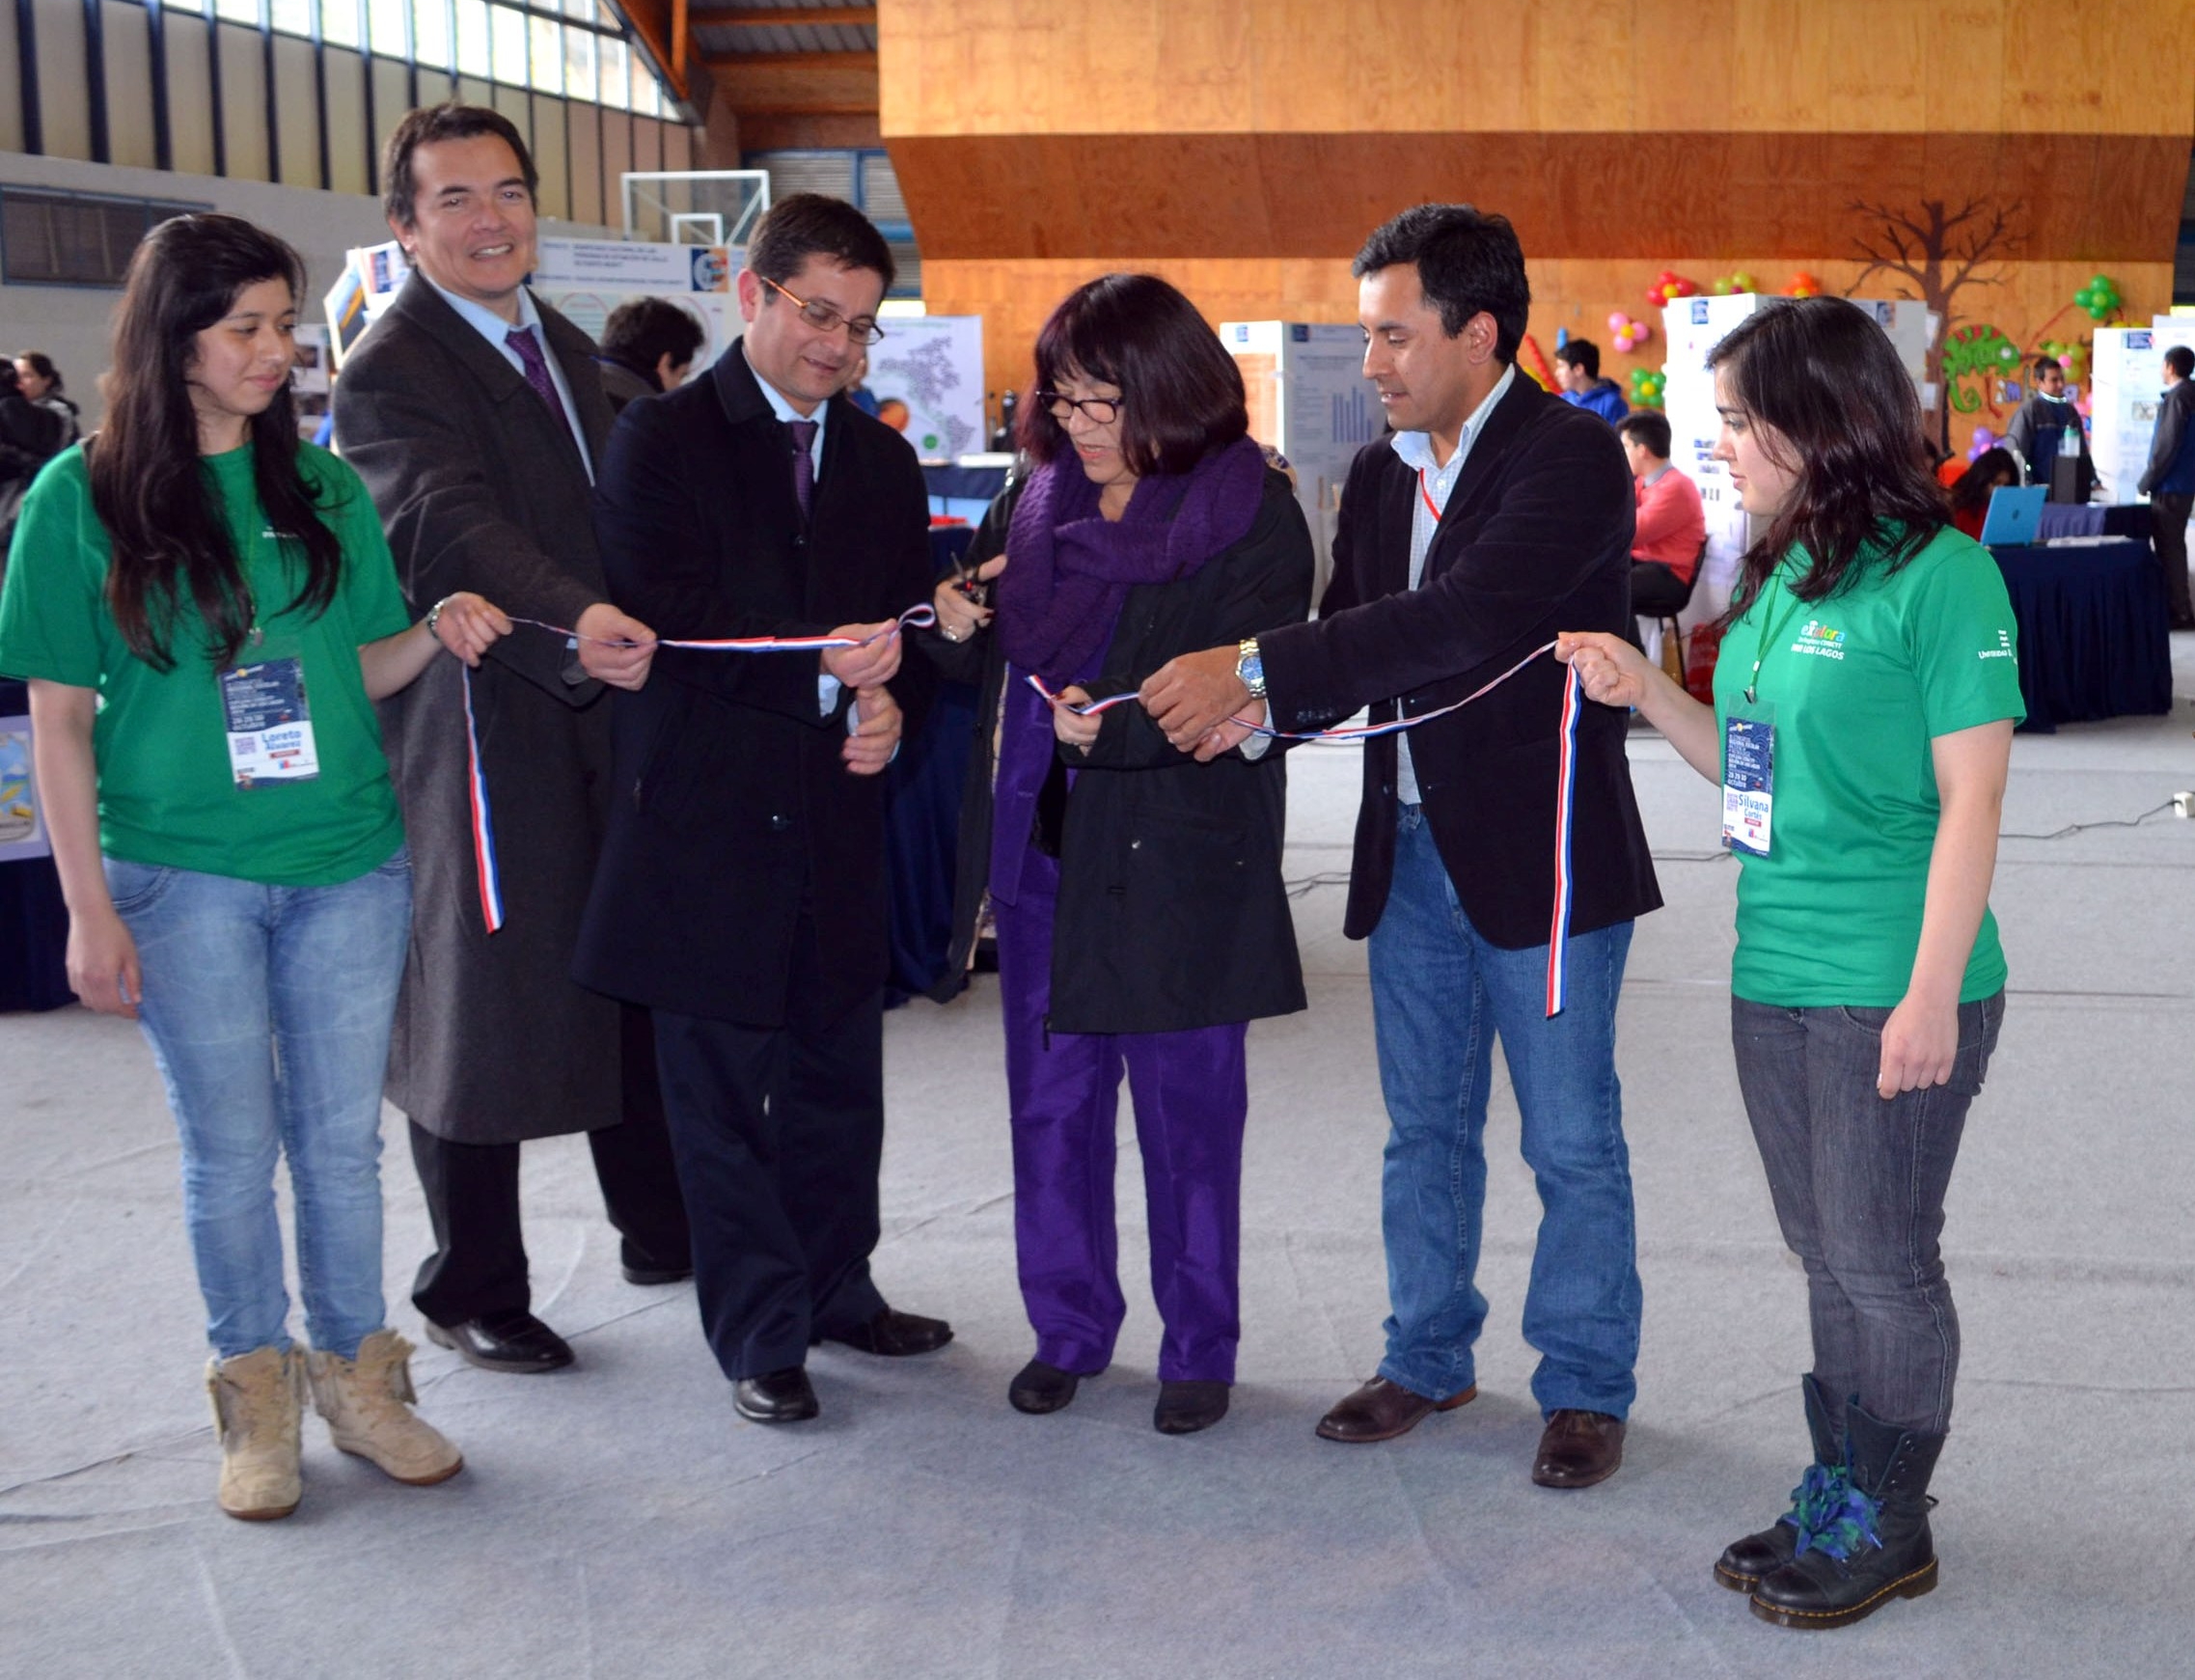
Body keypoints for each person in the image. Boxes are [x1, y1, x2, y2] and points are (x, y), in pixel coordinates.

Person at [1141, 205, 1661, 1487]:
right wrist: (1254, 715)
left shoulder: (1566, 459)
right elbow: (1352, 635)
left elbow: (1456, 622)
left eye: (1389, 335)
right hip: (1407, 852)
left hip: (1542, 858)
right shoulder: (1378, 474)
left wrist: (1249, 662)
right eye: (1363, 335)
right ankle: (1424, 1355)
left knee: (1567, 1137)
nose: (1365, 364)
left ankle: (1585, 1382)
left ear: (1476, 334)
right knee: (1420, 1129)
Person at [0, 214, 498, 1519]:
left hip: (348, 864)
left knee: (339, 1150)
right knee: (229, 1155)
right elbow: (57, 715)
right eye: (249, 329)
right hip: (179, 875)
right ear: (174, 340)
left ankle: (359, 1380)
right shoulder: (81, 496)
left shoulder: (322, 489)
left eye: (287, 325)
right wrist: (86, 908)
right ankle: (254, 1400)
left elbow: (361, 667)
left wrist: (439, 634)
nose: (281, 351)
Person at [1558, 294, 2019, 1630]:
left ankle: (1891, 1520)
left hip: (1890, 974)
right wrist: (1646, 693)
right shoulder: (1781, 572)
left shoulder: (1942, 577)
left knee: (1880, 1258)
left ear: (1819, 423)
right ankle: (1839, 1489)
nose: (1721, 451)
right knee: (1821, 1252)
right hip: (1773, 966)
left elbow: (1971, 805)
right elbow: (1749, 772)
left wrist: (1930, 992)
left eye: (1738, 426)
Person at [575, 193, 951, 1426]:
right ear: (751, 293)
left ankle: (840, 1287)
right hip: (704, 823)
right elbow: (667, 619)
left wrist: (890, 699)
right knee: (724, 1100)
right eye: (816, 315)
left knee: (841, 1076)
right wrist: (824, 673)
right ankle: (760, 1334)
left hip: (838, 817)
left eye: (860, 325)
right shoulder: (662, 440)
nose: (838, 347)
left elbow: (900, 625)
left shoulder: (886, 461)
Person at [333, 103, 693, 1377]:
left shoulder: (567, 347)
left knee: (631, 967)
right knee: (479, 1002)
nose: (490, 221)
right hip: (478, 714)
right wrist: (579, 611)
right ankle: (468, 1281)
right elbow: (446, 522)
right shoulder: (391, 368)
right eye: (454, 200)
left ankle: (659, 1223)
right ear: (404, 227)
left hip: (609, 700)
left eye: (508, 192)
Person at [924, 274, 1313, 1435]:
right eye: (1065, 398)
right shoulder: (1031, 502)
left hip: (1177, 858)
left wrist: (1129, 729)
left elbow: (1265, 679)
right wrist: (948, 625)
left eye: (1106, 400)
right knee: (1050, 1108)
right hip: (1039, 848)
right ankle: (1068, 1330)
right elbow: (984, 661)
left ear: (1170, 391)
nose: (1082, 424)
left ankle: (1200, 1347)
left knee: (1188, 1116)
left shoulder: (1250, 509)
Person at [1617, 409, 1705, 613]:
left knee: (1610, 588)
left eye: (1626, 446)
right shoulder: (1643, 482)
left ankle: (1631, 646)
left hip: (1669, 575)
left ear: (1643, 450)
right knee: (1597, 578)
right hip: (1646, 564)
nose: (1622, 452)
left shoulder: (1676, 487)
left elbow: (1631, 532)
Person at [2136, 343, 2195, 629]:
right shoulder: (2191, 394)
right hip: (2184, 483)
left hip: (2171, 484)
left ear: (2170, 367)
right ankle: (2179, 607)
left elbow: (2167, 444)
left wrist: (2148, 480)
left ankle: (2179, 611)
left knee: (2170, 548)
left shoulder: (2178, 397)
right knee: (2175, 547)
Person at [0, 356, 63, 565]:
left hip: (22, 498)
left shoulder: (54, 413)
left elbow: (50, 455)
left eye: (27, 375)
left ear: (47, 379)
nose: (23, 381)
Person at [595, 297, 705, 414]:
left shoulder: (579, 379)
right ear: (665, 363)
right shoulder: (650, 419)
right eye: (682, 376)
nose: (679, 387)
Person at [2002, 356, 2090, 499]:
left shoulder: (2070, 412)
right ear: (2039, 382)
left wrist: (2092, 480)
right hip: (2036, 493)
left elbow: (2082, 453)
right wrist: (2025, 487)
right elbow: (2016, 454)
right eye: (2054, 380)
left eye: (2062, 379)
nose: (2061, 384)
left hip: (2068, 491)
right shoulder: (2029, 411)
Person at [1946, 447, 2019, 542]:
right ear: (1982, 480)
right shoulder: (1961, 511)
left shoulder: (2008, 510)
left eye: (2006, 485)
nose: (2001, 490)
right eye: (1996, 483)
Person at [1552, 338, 1628, 425]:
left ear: (1578, 369)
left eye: (1561, 366)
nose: (1557, 373)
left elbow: (1616, 437)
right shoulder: (1561, 401)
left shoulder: (1612, 403)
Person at [15, 350, 83, 446]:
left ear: (46, 380)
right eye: (15, 376)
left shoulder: (58, 411)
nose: (19, 381)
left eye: (26, 376)